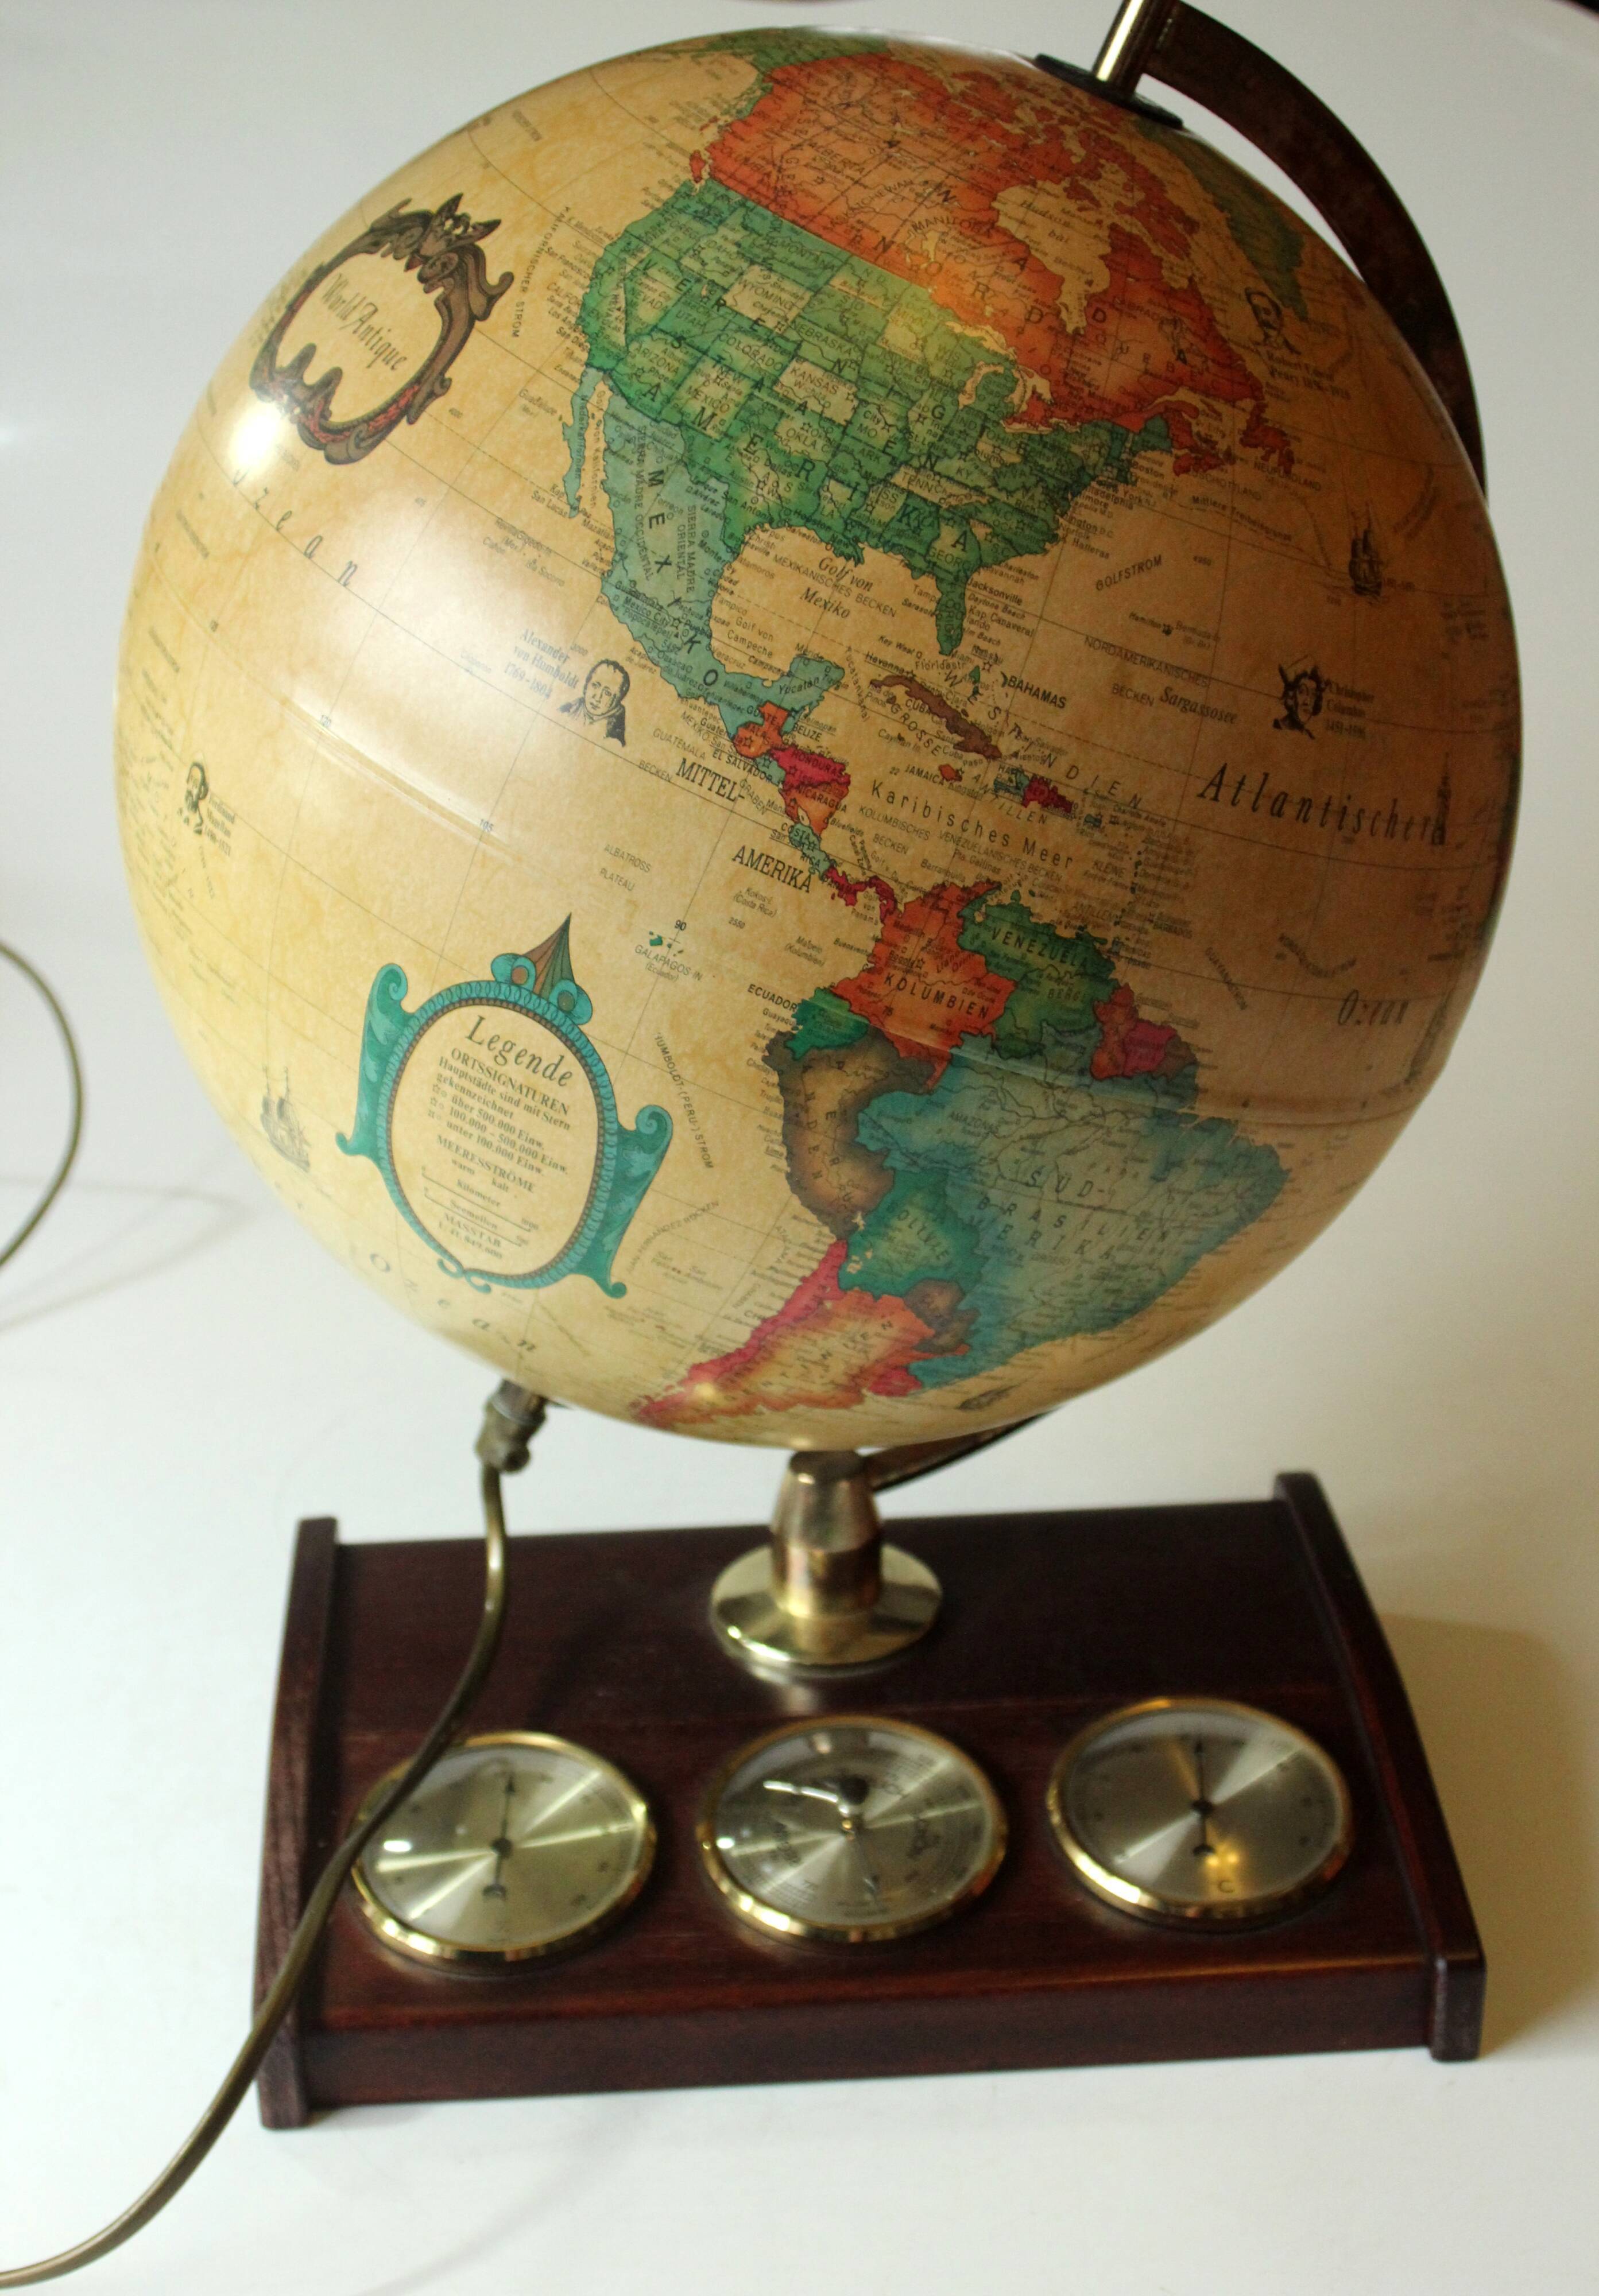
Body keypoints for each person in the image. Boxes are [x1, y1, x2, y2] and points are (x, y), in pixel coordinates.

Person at [561, 658, 629, 745]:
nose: (597, 697)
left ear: (618, 700)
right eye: (595, 686)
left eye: (607, 693)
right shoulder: (568, 709)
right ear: (587, 685)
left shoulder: (614, 738)